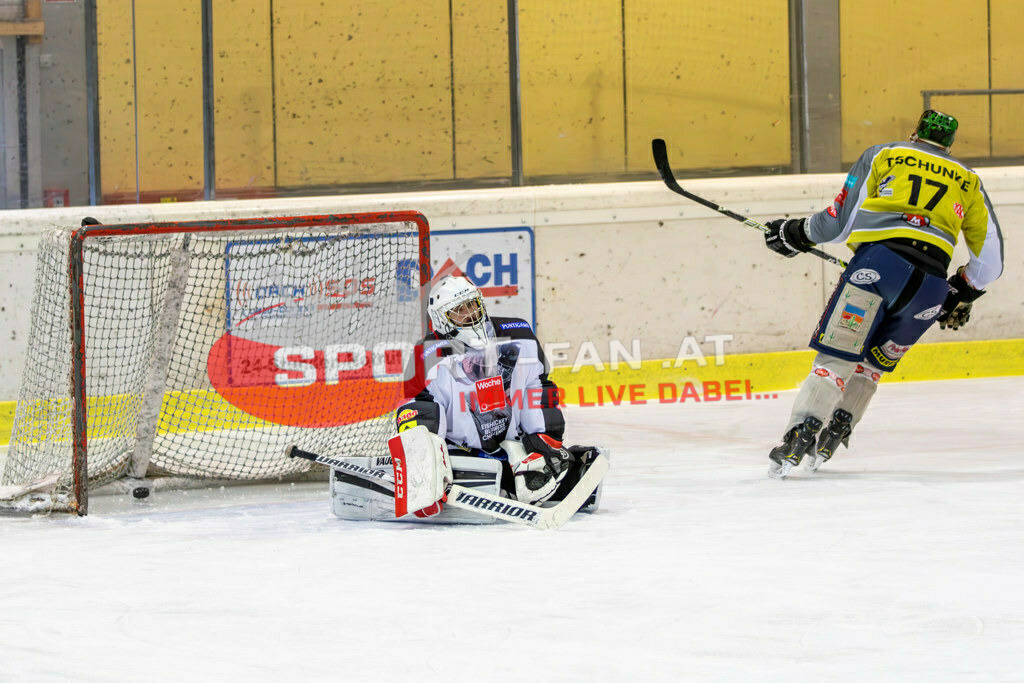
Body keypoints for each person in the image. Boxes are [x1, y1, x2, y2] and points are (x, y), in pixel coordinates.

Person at [762, 110, 1004, 479]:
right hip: (930, 289)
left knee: (836, 359)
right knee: (871, 367)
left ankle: (801, 433)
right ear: (950, 144)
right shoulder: (969, 180)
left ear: (914, 132)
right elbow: (990, 263)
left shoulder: (884, 154)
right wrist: (963, 290)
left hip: (877, 268)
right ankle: (838, 428)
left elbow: (838, 223)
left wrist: (794, 232)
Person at [394, 275, 603, 515]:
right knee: (422, 419)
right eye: (459, 311)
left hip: (511, 448)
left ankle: (530, 478)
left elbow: (538, 387)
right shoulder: (425, 356)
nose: (470, 314)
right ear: (441, 320)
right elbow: (420, 410)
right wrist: (425, 468)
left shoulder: (520, 336)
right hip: (460, 453)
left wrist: (544, 442)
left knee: (565, 465)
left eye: (472, 304)